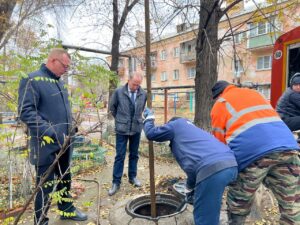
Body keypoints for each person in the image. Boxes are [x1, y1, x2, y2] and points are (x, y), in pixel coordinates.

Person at [211, 80, 300, 225]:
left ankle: (236, 222)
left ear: (218, 95)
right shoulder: (254, 93)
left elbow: (219, 143)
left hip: (253, 154)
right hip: (288, 147)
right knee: (291, 202)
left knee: (240, 197)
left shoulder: (220, 103)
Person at [18, 48, 87, 225]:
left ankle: (67, 210)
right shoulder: (32, 79)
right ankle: (40, 221)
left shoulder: (60, 83)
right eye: (65, 66)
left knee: (65, 178)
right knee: (44, 187)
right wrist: (52, 132)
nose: (66, 70)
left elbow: (64, 110)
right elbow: (26, 112)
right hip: (45, 146)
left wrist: (73, 126)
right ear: (53, 61)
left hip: (65, 143)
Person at [143, 110, 238, 225]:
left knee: (204, 217)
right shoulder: (195, 132)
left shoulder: (176, 124)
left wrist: (149, 118)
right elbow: (195, 168)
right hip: (231, 165)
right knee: (211, 208)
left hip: (212, 171)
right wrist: (189, 188)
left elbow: (151, 134)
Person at [108, 72, 147, 196]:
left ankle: (132, 177)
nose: (136, 87)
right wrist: (121, 120)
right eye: (134, 84)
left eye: (138, 85)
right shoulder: (119, 92)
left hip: (136, 128)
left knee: (134, 155)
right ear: (128, 80)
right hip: (122, 129)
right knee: (120, 156)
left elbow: (141, 109)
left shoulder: (143, 94)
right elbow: (112, 108)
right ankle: (116, 182)